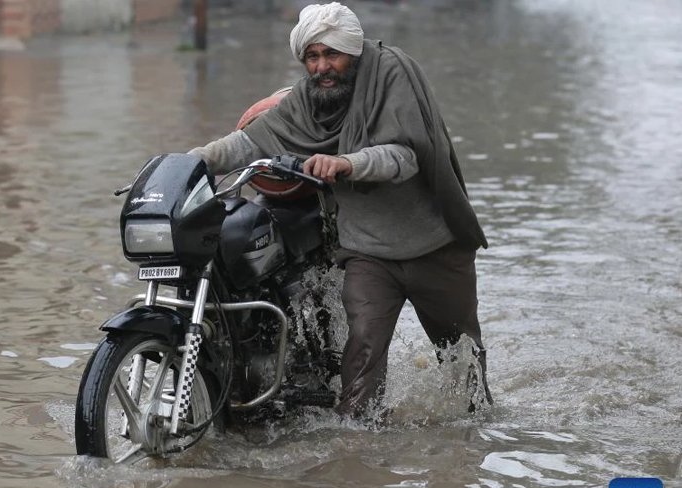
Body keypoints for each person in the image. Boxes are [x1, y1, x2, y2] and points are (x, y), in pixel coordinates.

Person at [189, 2, 492, 420]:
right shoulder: (309, 98)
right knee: (363, 347)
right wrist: (192, 161)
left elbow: (403, 157)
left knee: (461, 357)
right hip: (369, 251)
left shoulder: (391, 74)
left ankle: (473, 442)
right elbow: (252, 142)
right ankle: (357, 452)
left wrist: (348, 163)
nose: (322, 67)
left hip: (433, 246)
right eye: (312, 57)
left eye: (332, 54)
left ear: (354, 52)